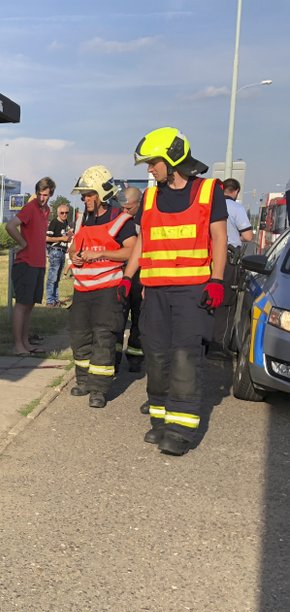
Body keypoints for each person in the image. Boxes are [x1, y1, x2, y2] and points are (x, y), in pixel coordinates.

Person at [123, 127, 228, 456]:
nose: (149, 169)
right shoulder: (151, 197)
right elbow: (143, 240)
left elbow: (220, 238)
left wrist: (217, 280)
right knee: (156, 356)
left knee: (184, 357)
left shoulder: (209, 191)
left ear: (173, 159)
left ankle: (181, 428)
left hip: (192, 292)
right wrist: (129, 277)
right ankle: (160, 419)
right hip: (154, 293)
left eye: (153, 162)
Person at [67, 166, 136, 408]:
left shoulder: (121, 220)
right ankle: (83, 380)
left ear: (101, 193)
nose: (85, 199)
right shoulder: (81, 220)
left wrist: (103, 253)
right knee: (80, 337)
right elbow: (74, 248)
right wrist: (74, 256)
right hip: (82, 289)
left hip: (108, 289)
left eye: (89, 194)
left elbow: (132, 250)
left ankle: (99, 389)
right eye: (83, 195)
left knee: (103, 338)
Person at [5, 176, 55, 355]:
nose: (42, 198)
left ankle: (25, 343)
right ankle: (18, 345)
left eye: (46, 195)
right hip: (25, 263)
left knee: (30, 305)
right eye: (40, 194)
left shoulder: (47, 210)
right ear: (36, 193)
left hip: (38, 263)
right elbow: (11, 226)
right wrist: (23, 243)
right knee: (22, 304)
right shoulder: (30, 207)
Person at [207, 178, 255, 359]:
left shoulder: (209, 205)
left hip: (206, 257)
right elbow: (249, 236)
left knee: (205, 298)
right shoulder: (236, 208)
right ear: (235, 191)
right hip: (226, 259)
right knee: (225, 302)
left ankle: (202, 341)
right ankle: (218, 347)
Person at [120, 187, 145, 373]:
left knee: (139, 317)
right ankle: (113, 359)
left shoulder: (146, 219)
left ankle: (135, 357)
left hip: (141, 276)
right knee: (118, 317)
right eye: (122, 208)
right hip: (121, 273)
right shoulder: (120, 220)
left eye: (128, 208)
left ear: (139, 203)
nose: (124, 212)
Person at [45, 203, 73, 306]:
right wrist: (61, 239)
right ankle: (50, 300)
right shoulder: (54, 222)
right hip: (55, 251)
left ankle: (55, 300)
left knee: (57, 278)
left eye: (66, 213)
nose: (64, 215)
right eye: (62, 213)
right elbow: (47, 238)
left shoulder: (66, 223)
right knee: (52, 277)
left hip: (62, 251)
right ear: (58, 213)